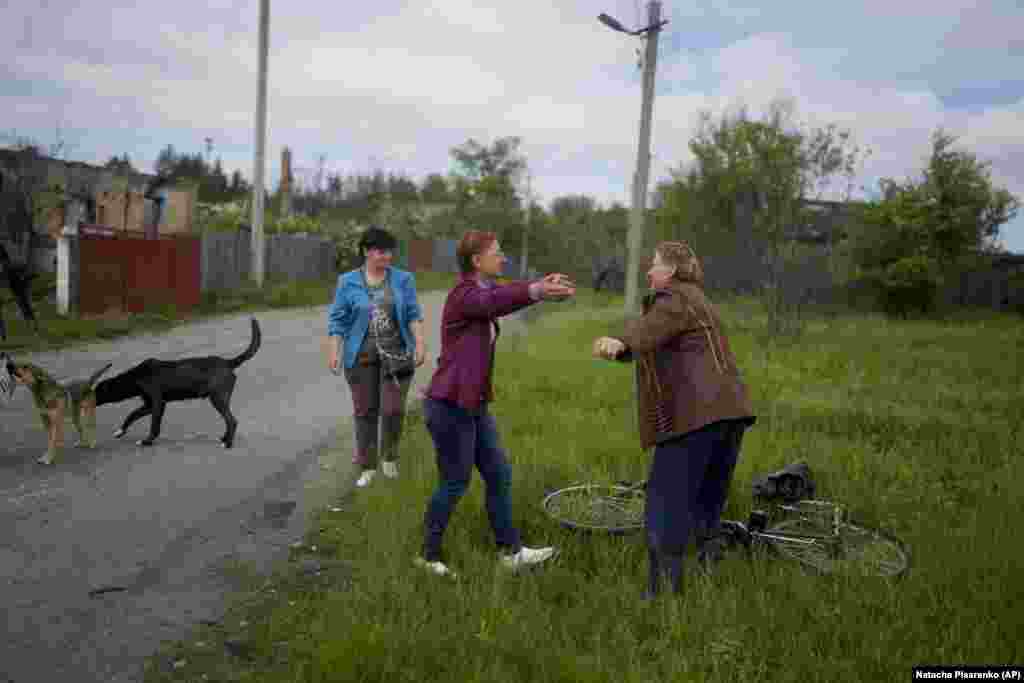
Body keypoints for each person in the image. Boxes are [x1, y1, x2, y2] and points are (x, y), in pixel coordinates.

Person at [592, 240, 756, 598]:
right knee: (706, 503)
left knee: (666, 504)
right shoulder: (701, 301)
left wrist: (620, 341)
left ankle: (663, 598)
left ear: (671, 271)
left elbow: (651, 328)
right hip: (730, 414)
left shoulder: (678, 297)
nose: (649, 272)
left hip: (695, 417)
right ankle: (705, 584)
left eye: (654, 265)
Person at [416, 231, 576, 577]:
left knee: (499, 474)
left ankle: (510, 552)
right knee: (454, 482)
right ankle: (427, 556)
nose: (502, 258)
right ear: (476, 261)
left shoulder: (482, 292)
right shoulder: (463, 294)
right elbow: (493, 302)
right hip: (450, 406)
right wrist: (536, 291)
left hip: (473, 406)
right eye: (497, 253)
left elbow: (499, 295)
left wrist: (538, 284)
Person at [327, 226, 426, 488]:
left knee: (393, 410)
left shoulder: (404, 280)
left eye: (389, 252)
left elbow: (414, 314)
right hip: (360, 357)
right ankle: (368, 466)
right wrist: (335, 351)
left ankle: (389, 457)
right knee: (365, 412)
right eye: (380, 252)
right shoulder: (347, 282)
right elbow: (337, 320)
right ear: (366, 252)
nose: (386, 257)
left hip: (397, 356)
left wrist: (420, 343)